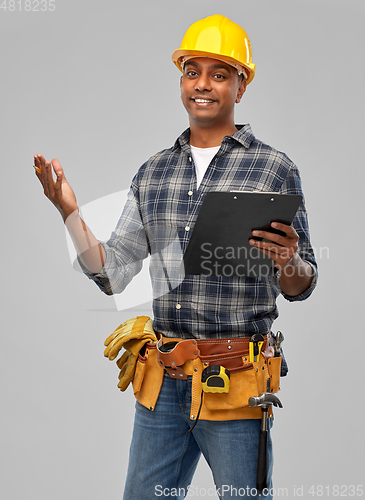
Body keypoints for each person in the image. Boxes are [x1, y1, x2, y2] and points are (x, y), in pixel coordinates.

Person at [34, 15, 317, 500]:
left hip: (236, 385)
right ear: (181, 80)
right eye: (191, 70)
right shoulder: (154, 173)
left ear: (240, 85)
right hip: (163, 387)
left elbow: (302, 285)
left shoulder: (273, 168)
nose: (202, 84)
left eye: (219, 73)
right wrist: (70, 213)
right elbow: (113, 272)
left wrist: (288, 259)